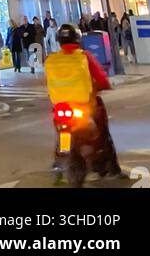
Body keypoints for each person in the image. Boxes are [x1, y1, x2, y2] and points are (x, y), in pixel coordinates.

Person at [48, 24, 122, 178]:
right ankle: (111, 167)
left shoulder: (52, 60)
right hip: (83, 105)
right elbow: (101, 77)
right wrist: (104, 85)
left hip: (61, 107)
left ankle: (58, 159)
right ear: (78, 39)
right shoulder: (84, 56)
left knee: (61, 130)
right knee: (102, 131)